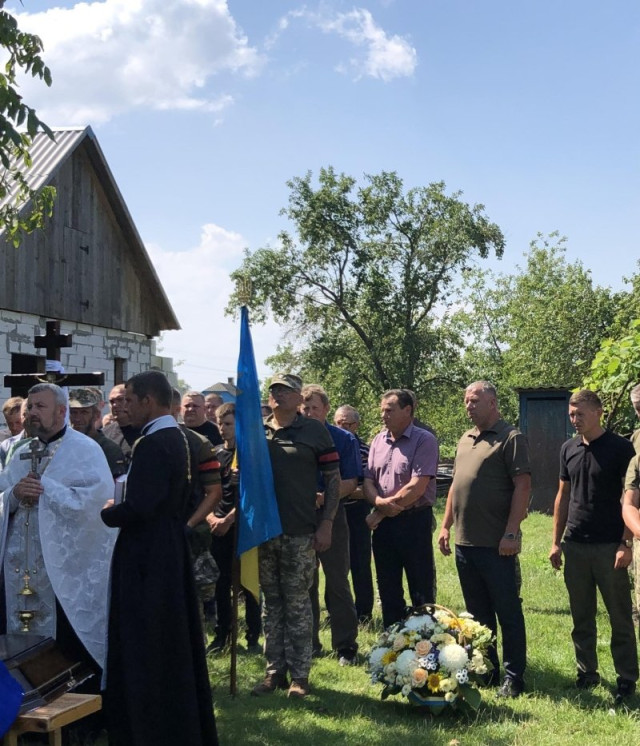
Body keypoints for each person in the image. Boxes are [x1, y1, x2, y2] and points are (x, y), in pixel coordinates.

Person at [101, 371, 218, 746]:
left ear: (148, 401)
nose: (125, 408)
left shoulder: (153, 443)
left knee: (149, 638)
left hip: (148, 556)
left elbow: (141, 506)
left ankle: (148, 725)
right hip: (166, 546)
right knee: (170, 637)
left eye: (130, 400)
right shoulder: (177, 438)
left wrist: (108, 512)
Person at [0, 383, 116, 681]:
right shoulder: (17, 451)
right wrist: (13, 495)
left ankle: (77, 705)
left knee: (68, 642)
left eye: (41, 407)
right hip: (18, 568)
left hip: (64, 572)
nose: (32, 412)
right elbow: (3, 495)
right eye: (30, 407)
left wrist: (46, 489)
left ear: (62, 411)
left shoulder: (85, 450)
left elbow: (95, 504)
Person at [438, 381, 530, 698]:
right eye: (466, 400)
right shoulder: (466, 438)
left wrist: (511, 531)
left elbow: (523, 486)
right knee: (478, 614)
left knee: (508, 612)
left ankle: (514, 677)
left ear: (492, 402)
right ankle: (487, 670)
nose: (469, 405)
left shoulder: (510, 437)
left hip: (497, 544)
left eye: (475, 400)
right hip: (465, 543)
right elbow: (455, 486)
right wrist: (446, 526)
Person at [252, 373, 340, 699]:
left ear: (299, 397)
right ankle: (273, 671)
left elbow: (333, 479)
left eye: (285, 390)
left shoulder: (314, 431)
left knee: (298, 604)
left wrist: (326, 522)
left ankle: (300, 675)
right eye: (274, 390)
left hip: (300, 531)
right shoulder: (258, 430)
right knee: (271, 605)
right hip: (265, 532)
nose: (278, 395)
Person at [549, 389, 638, 704]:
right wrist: (555, 542)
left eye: (580, 414)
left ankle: (626, 679)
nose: (575, 420)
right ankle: (586, 673)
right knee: (581, 616)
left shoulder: (621, 449)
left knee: (620, 617)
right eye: (571, 415)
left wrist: (625, 543)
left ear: (598, 412)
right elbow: (563, 496)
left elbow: (632, 498)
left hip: (609, 546)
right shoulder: (568, 448)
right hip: (575, 544)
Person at [363, 389, 439, 628]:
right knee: (387, 585)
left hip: (413, 520)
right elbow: (368, 480)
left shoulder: (424, 440)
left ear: (408, 410)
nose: (383, 415)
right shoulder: (378, 440)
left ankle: (426, 638)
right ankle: (392, 639)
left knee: (420, 585)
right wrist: (378, 502)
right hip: (384, 526)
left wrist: (380, 511)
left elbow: (417, 487)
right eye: (382, 410)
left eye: (389, 410)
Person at [301, 385, 360, 665]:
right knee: (305, 582)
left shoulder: (343, 438)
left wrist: (325, 497)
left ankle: (345, 646)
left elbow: (351, 481)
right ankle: (309, 643)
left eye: (315, 407)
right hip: (299, 517)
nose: (310, 412)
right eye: (305, 408)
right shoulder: (294, 437)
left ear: (326, 409)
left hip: (333, 515)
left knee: (337, 581)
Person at [207, 402, 262, 652]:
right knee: (220, 584)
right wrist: (212, 518)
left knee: (248, 583)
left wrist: (229, 520)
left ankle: (252, 636)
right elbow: (207, 491)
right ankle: (223, 635)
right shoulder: (215, 454)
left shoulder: (248, 455)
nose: (223, 428)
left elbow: (252, 496)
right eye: (220, 423)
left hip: (242, 527)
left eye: (228, 424)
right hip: (217, 527)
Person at [169, 389, 222, 630]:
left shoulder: (200, 442)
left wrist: (189, 525)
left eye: (195, 406)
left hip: (193, 533)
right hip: (162, 534)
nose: (189, 410)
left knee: (196, 603)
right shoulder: (148, 439)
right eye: (186, 406)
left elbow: (214, 492)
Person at [334, 404, 374, 624]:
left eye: (347, 424)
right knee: (335, 566)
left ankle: (364, 612)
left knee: (360, 563)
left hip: (358, 512)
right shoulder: (329, 446)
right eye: (339, 423)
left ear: (356, 425)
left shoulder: (366, 451)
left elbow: (367, 488)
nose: (343, 427)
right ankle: (335, 611)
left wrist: (345, 490)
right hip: (334, 510)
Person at [68, 388, 126, 478]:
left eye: (84, 412)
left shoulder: (108, 449)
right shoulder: (63, 446)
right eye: (73, 412)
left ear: (97, 415)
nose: (77, 418)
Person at [103, 383, 142, 465]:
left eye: (120, 399)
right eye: (112, 401)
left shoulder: (145, 431)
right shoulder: (104, 434)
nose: (115, 405)